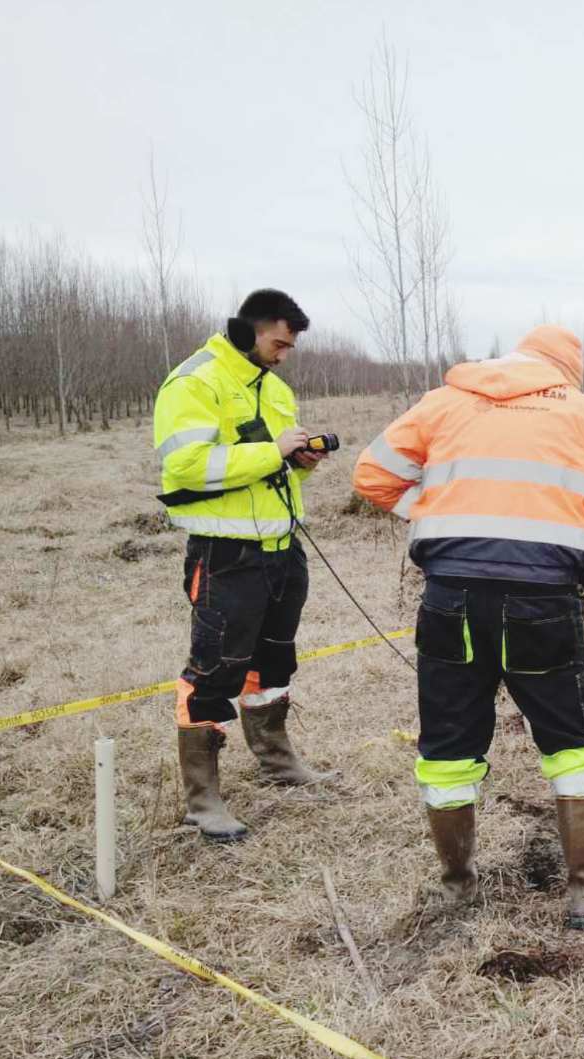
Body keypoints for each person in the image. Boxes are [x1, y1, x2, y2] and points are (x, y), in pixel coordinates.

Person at [351, 325, 584, 929]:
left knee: (447, 746)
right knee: (571, 741)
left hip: (449, 599)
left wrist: (444, 515)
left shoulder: (444, 402)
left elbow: (372, 476)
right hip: (543, 602)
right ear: (567, 372)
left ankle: (457, 891)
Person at [153, 289, 334, 843]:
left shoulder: (274, 388)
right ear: (245, 330)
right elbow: (184, 466)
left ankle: (277, 763)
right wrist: (274, 451)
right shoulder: (194, 382)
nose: (283, 355)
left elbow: (268, 470)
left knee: (275, 663)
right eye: (278, 342)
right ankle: (203, 803)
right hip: (225, 553)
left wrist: (299, 462)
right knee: (214, 673)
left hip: (283, 548)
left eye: (289, 347)